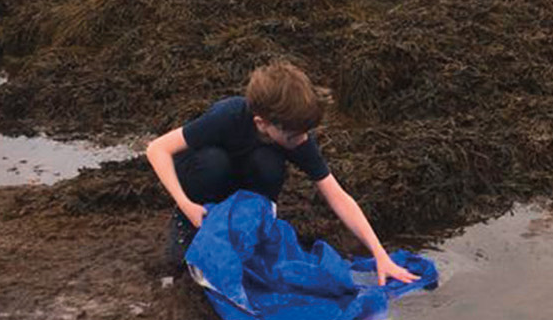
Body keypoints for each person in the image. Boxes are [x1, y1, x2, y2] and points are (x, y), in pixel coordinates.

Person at [146, 60, 417, 286]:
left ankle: (256, 222)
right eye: (293, 136)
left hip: (246, 180)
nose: (301, 141)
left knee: (269, 163)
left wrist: (380, 254)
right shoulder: (228, 116)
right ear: (262, 123)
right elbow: (157, 149)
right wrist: (185, 203)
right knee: (213, 161)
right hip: (204, 179)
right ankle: (186, 222)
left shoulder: (295, 133)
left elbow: (337, 196)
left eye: (304, 134)